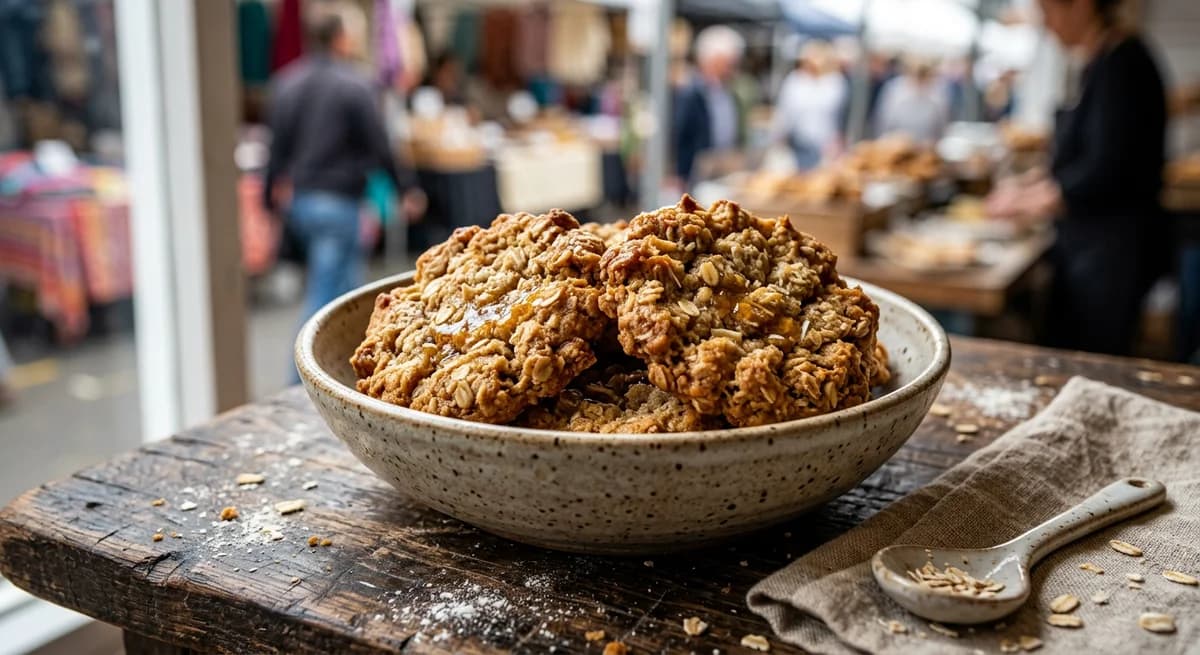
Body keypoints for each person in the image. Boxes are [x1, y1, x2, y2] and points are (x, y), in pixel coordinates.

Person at [986, 0, 1167, 355]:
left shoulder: (1123, 64)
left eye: (1049, 11)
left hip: (1112, 251)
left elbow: (1105, 169)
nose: (1047, 25)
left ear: (1081, 6)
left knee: (1093, 354)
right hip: (1088, 243)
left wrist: (1028, 201)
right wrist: (1026, 188)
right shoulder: (1097, 62)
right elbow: (1074, 161)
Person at [263, 5, 422, 334]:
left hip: (302, 202)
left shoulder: (286, 82)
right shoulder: (357, 85)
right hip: (338, 205)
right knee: (326, 301)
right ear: (341, 38)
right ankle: (300, 366)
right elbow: (380, 145)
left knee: (346, 294)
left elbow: (275, 149)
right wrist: (406, 188)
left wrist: (267, 200)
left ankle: (346, 358)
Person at [672, 25, 745, 186]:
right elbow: (680, 134)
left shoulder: (728, 91)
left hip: (721, 169)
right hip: (696, 173)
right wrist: (679, 172)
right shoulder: (691, 92)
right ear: (712, 60)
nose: (731, 67)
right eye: (728, 62)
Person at [771, 40, 847, 170]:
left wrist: (839, 141)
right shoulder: (795, 80)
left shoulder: (836, 82)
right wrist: (778, 139)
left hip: (827, 146)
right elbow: (785, 113)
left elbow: (840, 115)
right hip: (798, 144)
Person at [874, 57, 950, 143]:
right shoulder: (895, 89)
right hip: (897, 141)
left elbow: (941, 123)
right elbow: (884, 119)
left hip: (925, 143)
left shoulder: (937, 92)